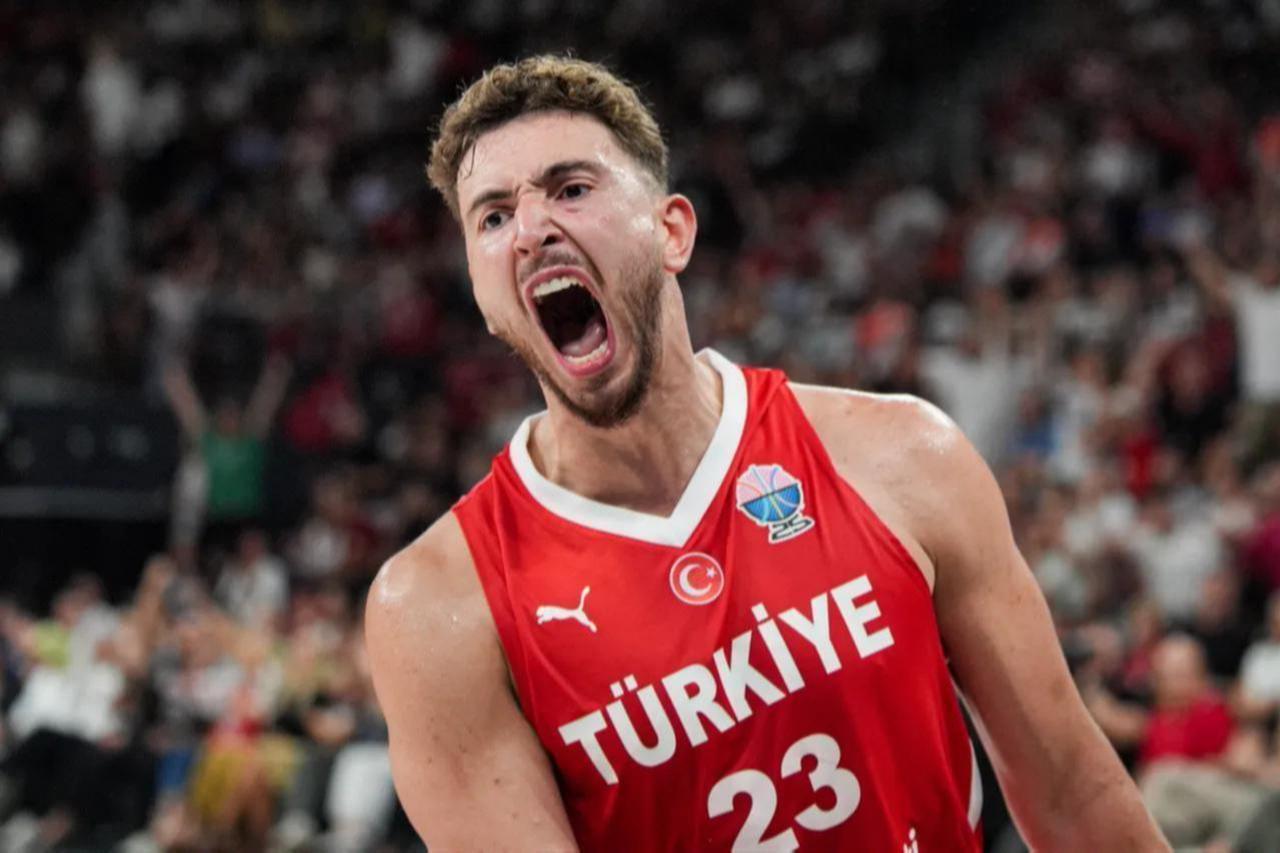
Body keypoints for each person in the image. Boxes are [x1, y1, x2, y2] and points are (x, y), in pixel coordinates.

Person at [365, 56, 1167, 851]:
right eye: (493, 216)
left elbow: (1072, 793)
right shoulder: (439, 608)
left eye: (572, 189)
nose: (534, 229)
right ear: (481, 288)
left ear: (672, 230)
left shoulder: (900, 455)